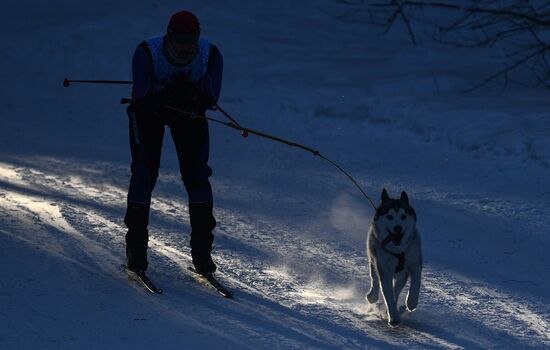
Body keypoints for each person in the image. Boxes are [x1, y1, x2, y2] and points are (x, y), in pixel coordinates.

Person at [124, 10, 223, 279]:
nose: (185, 47)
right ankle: (136, 252)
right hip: (149, 114)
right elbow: (143, 97)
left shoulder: (210, 55)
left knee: (197, 178)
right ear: (169, 37)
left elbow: (210, 99)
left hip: (188, 115)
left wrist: (192, 97)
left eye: (190, 41)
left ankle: (203, 256)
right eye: (180, 41)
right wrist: (170, 93)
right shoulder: (146, 52)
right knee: (144, 173)